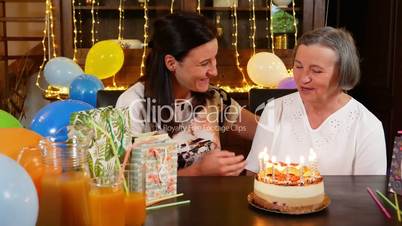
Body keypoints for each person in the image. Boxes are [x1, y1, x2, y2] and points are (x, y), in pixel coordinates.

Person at [116, 12, 258, 176]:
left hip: (211, 200)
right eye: (204, 63)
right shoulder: (133, 104)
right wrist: (198, 171)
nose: (214, 71)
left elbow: (263, 128)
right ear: (171, 63)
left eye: (214, 59)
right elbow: (126, 180)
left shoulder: (214, 98)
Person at [245, 27, 387, 175]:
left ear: (343, 73)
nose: (303, 78)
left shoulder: (367, 126)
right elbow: (254, 173)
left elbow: (368, 193)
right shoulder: (275, 109)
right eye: (298, 66)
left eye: (316, 71)